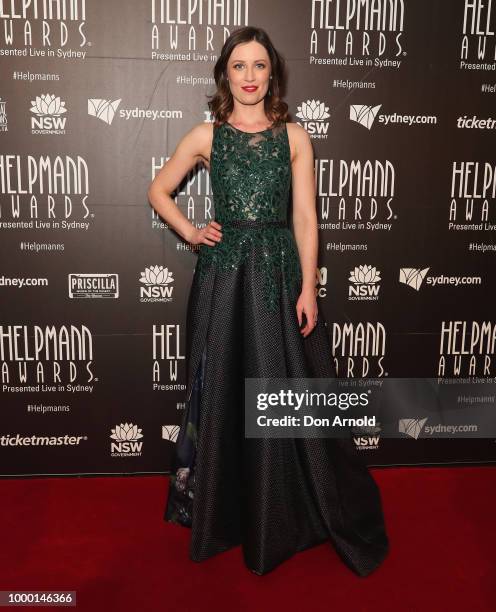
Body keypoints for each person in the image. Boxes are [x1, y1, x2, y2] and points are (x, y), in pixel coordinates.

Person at [147, 25, 389, 576]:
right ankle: (221, 511)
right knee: (224, 391)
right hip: (223, 276)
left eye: (260, 66)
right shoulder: (206, 136)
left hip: (278, 275)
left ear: (271, 73)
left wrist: (309, 286)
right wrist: (190, 231)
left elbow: (305, 218)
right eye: (240, 66)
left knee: (280, 389)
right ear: (224, 74)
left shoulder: (295, 136)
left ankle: (281, 506)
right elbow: (158, 189)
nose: (250, 76)